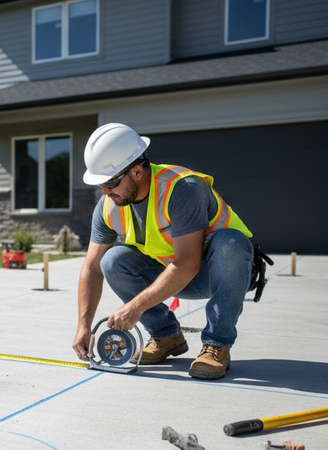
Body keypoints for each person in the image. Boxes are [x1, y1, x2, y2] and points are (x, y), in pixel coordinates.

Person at [71, 123, 257, 380]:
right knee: (111, 260)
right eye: (101, 184)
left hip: (218, 273)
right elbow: (91, 267)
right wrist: (84, 326)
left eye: (111, 182)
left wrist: (134, 308)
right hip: (170, 276)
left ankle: (217, 345)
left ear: (137, 171)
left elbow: (189, 263)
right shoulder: (108, 206)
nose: (105, 191)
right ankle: (166, 336)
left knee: (231, 242)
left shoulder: (183, 190)